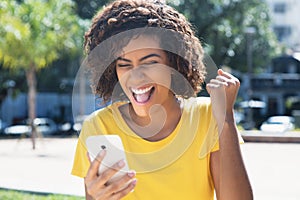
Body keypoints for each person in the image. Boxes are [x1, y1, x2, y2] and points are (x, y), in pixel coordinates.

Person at [71, 0, 253, 199]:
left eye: (150, 62)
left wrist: (226, 119)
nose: (136, 76)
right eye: (124, 64)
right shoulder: (99, 127)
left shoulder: (207, 116)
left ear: (173, 64)